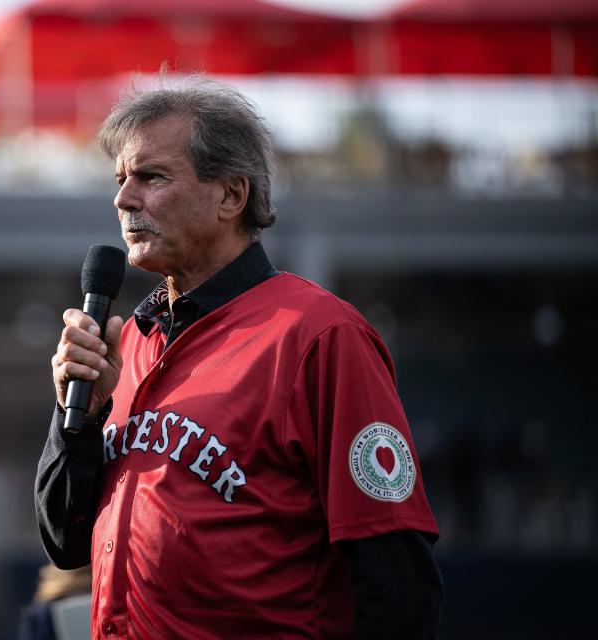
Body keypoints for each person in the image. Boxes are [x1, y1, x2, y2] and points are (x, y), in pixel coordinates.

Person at [35, 77, 444, 639]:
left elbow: (396, 574)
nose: (123, 198)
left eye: (151, 176)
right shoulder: (124, 341)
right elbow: (64, 541)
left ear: (231, 195)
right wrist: (74, 419)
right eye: (121, 179)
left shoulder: (320, 335)